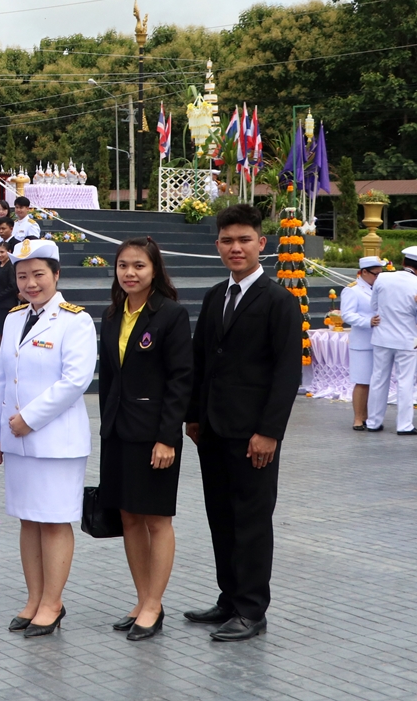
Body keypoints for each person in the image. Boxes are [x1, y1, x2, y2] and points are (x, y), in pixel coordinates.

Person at [184, 204, 302, 641]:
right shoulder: (216, 295)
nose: (236, 248)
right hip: (213, 431)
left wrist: (269, 432)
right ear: (218, 245)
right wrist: (193, 415)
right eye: (228, 240)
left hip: (254, 435)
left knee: (251, 521)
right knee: (221, 517)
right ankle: (229, 599)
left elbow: (287, 374)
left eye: (244, 240)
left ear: (261, 244)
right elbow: (200, 360)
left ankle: (252, 610)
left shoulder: (279, 301)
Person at [0, 239, 96, 639]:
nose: (30, 284)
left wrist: (28, 420)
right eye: (22, 276)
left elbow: (75, 381)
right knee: (28, 520)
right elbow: (2, 379)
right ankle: (34, 599)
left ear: (56, 275)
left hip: (56, 442)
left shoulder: (75, 321)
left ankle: (53, 602)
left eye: (38, 275)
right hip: (17, 440)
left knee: (52, 521)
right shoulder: (14, 318)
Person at [97, 238, 192, 641]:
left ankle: (154, 604)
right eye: (123, 265)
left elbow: (180, 380)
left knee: (156, 518)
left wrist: (167, 437)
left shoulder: (171, 314)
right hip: (118, 431)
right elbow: (109, 378)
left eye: (139, 266)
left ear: (155, 270)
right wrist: (105, 427)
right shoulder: (112, 314)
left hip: (154, 435)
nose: (130, 273)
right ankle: (142, 600)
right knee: (129, 517)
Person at [366, 247, 417, 434]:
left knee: (378, 379)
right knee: (405, 382)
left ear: (403, 263)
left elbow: (374, 306)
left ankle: (373, 422)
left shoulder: (383, 278)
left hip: (382, 337)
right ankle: (404, 425)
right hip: (407, 339)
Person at [340, 256, 385, 430]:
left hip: (380, 341)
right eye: (375, 274)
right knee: (362, 381)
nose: (378, 277)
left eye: (380, 274)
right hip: (362, 343)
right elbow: (347, 315)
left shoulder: (379, 288)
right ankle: (358, 418)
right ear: (364, 272)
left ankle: (370, 416)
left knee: (376, 382)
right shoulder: (352, 290)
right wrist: (368, 321)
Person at [0, 239, 19, 350]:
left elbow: (12, 287)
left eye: (2, 252)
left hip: (6, 304)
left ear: (9, 252)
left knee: (4, 331)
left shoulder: (10, 266)